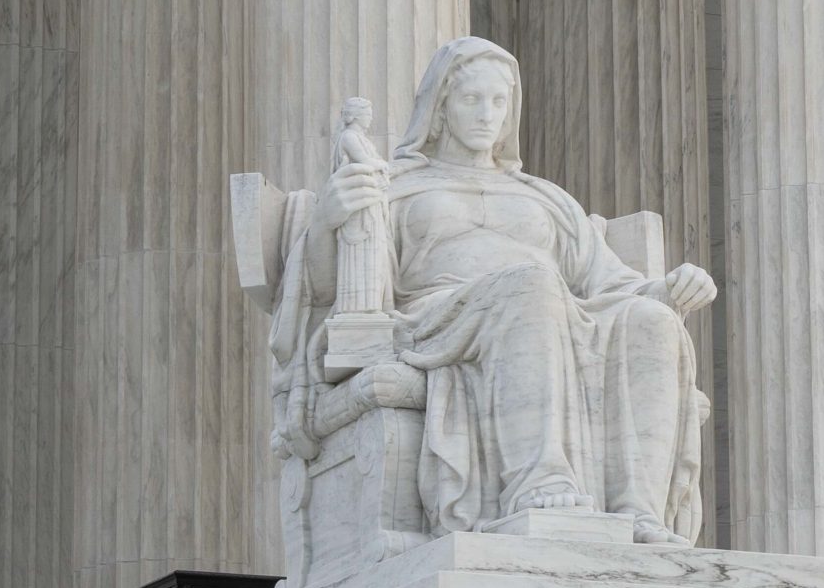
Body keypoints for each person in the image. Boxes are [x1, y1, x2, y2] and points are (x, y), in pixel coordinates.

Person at [303, 37, 716, 543]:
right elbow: (326, 291)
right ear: (440, 108)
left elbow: (612, 282)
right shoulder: (396, 188)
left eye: (499, 102)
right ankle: (537, 483)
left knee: (651, 321)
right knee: (533, 285)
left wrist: (670, 290)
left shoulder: (546, 198)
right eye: (471, 99)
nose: (486, 114)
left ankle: (639, 513)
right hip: (437, 320)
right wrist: (329, 219)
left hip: (552, 315)